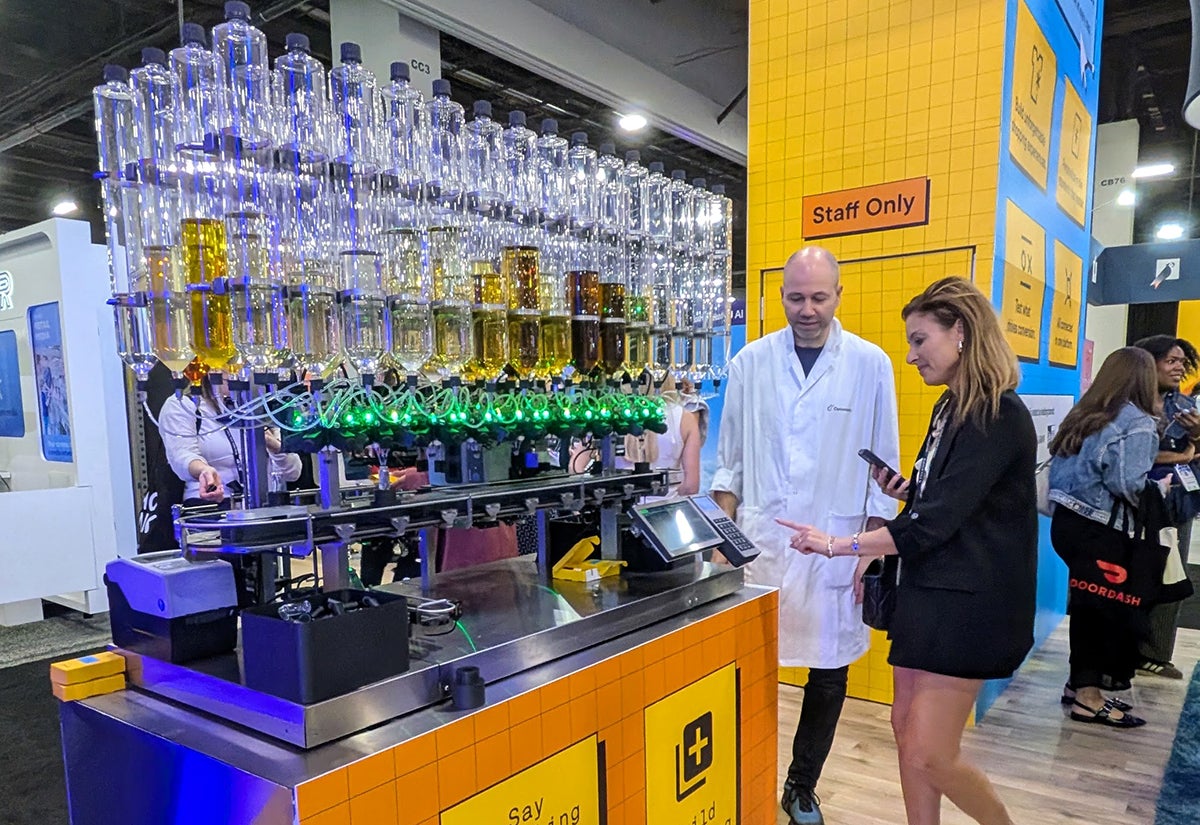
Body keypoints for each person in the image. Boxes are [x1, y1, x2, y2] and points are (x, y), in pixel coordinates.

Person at [777, 276, 1036, 825]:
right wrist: (908, 490)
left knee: (931, 752)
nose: (912, 355)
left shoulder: (996, 413)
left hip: (968, 606)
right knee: (904, 730)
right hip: (926, 593)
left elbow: (932, 524)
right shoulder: (950, 407)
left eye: (920, 340)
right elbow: (946, 501)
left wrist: (838, 544)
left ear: (959, 332)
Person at [711, 246, 900, 825]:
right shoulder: (751, 362)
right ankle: (746, 775)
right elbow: (729, 465)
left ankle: (801, 785)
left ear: (839, 295)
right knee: (750, 670)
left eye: (819, 297)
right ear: (781, 296)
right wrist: (722, 543)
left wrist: (868, 549)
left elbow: (884, 467)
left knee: (829, 671)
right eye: (796, 297)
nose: (808, 309)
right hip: (763, 543)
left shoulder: (870, 364)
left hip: (834, 546)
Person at [1047, 347, 1160, 728]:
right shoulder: (1138, 422)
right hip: (1101, 529)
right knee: (1099, 614)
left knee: (1087, 606)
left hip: (1067, 524)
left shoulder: (1085, 414)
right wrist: (1157, 493)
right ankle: (1088, 698)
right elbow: (1127, 483)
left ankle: (1079, 686)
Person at [1131, 334, 1200, 680]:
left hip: (1178, 503)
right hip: (1135, 502)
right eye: (1171, 361)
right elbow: (1130, 456)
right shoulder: (1127, 404)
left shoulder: (1186, 407)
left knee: (1173, 577)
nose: (1178, 368)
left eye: (1182, 362)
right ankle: (1121, 651)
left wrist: (1197, 436)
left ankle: (1155, 654)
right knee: (1131, 578)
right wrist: (1180, 455)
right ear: (1148, 362)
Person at [159, 384, 303, 507]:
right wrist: (204, 471)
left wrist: (273, 445)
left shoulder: (260, 405)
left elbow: (293, 473)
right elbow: (181, 456)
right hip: (210, 509)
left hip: (264, 507)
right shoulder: (184, 404)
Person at [618, 376, 706, 499]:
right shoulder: (685, 419)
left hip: (616, 507)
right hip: (666, 507)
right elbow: (691, 486)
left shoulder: (610, 416)